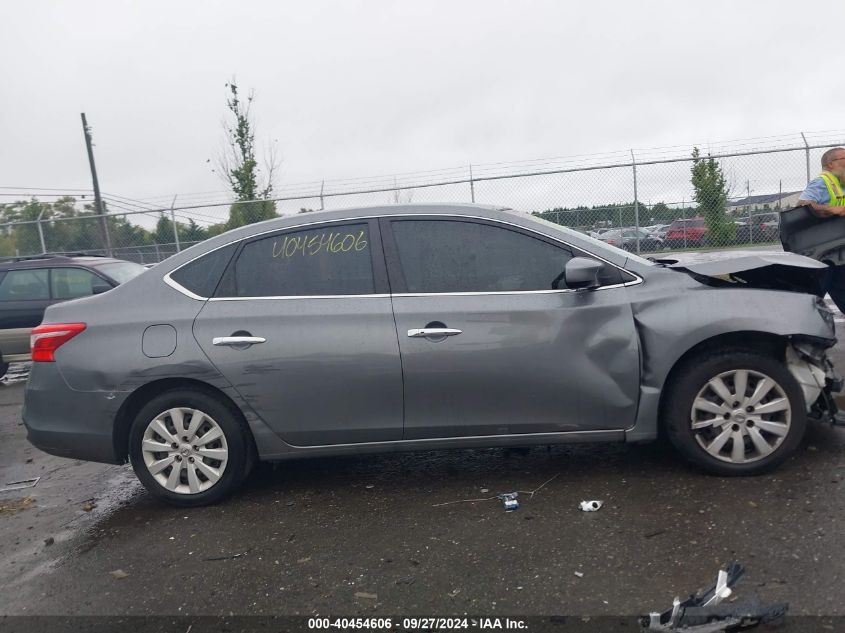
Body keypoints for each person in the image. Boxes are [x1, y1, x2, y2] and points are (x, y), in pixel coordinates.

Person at [797, 147, 845, 312]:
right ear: (831, 164)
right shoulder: (823, 182)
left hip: (838, 250)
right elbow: (803, 204)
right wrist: (832, 209)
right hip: (824, 252)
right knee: (814, 295)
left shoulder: (840, 183)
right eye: (844, 158)